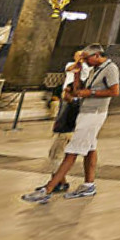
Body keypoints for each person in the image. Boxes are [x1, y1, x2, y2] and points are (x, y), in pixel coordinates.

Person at [22, 44, 120, 203]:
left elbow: (115, 91)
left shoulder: (110, 68)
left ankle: (48, 189)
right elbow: (77, 91)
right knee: (90, 149)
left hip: (94, 113)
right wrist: (77, 73)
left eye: (86, 58)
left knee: (72, 151)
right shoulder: (94, 69)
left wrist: (91, 92)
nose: (85, 61)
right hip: (85, 111)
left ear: (96, 55)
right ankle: (89, 185)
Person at [43, 49, 87, 192]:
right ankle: (58, 181)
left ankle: (58, 183)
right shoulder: (70, 65)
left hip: (67, 130)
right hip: (65, 128)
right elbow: (70, 68)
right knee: (56, 154)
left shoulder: (75, 103)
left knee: (57, 154)